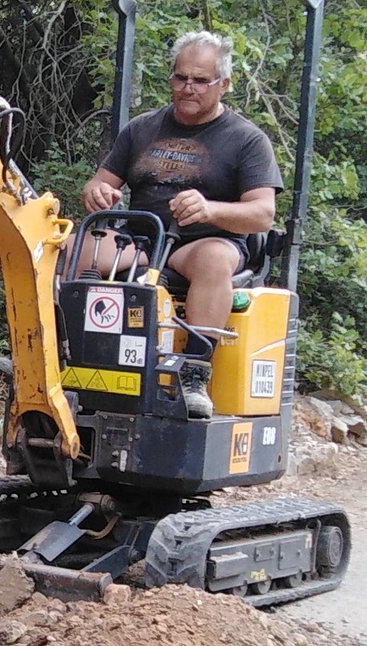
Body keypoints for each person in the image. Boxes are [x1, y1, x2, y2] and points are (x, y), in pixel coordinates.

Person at [79, 30, 278, 420]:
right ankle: (60, 357)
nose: (188, 88)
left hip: (201, 244)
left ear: (224, 84)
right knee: (67, 249)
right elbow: (100, 181)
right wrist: (98, 193)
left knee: (214, 259)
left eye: (200, 80)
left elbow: (262, 213)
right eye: (180, 78)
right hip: (141, 241)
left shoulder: (246, 140)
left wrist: (210, 210)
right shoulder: (142, 129)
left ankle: (193, 375)